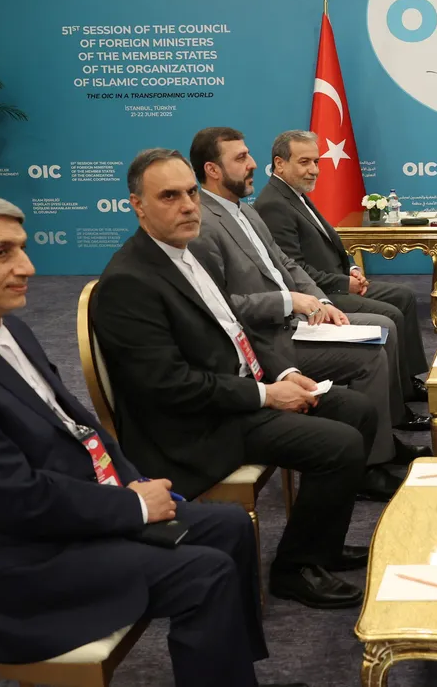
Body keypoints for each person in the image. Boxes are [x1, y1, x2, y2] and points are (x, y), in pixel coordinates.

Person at [0, 195, 292, 687]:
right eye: (3, 253)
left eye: (22, 249)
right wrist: (132, 507)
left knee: (230, 526)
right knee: (205, 572)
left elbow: (82, 428)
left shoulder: (10, 328)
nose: (27, 267)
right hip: (12, 567)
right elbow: (13, 499)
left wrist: (133, 485)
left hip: (67, 515)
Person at [94, 150, 374, 611]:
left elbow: (236, 331)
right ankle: (295, 569)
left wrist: (286, 373)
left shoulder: (188, 252)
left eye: (191, 193)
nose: (189, 205)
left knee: (357, 410)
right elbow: (168, 386)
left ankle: (321, 545)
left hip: (235, 391)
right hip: (196, 424)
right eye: (169, 196)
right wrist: (266, 395)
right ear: (137, 206)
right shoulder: (129, 281)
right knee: (338, 446)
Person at [186, 128, 428, 499]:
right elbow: (221, 307)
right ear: (212, 170)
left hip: (298, 322)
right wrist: (289, 301)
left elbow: (286, 264)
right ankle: (370, 467)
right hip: (267, 340)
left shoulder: (245, 211)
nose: (253, 164)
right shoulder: (204, 225)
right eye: (241, 158)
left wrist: (322, 302)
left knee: (379, 333)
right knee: (372, 354)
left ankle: (381, 445)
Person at [254, 129, 430, 424]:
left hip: (336, 280)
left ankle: (405, 383)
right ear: (279, 164)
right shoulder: (274, 204)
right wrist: (342, 283)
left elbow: (325, 245)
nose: (314, 170)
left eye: (316, 162)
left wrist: (350, 269)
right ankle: (396, 410)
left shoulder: (295, 194)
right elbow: (293, 269)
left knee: (404, 296)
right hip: (320, 294)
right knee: (390, 316)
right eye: (304, 162)